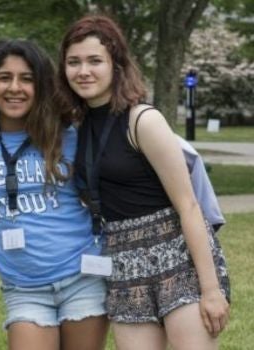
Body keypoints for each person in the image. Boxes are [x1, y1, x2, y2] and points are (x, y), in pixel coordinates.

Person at [57, 14, 230, 350]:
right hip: (123, 266)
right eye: (73, 62)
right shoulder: (76, 126)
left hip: (177, 259)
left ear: (116, 65)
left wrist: (210, 290)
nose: (83, 71)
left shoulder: (143, 120)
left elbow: (188, 206)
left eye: (95, 61)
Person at [0, 39, 108, 350]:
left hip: (83, 275)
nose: (15, 88)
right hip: (23, 287)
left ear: (42, 85)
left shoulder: (70, 135)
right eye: (4, 78)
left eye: (27, 79)